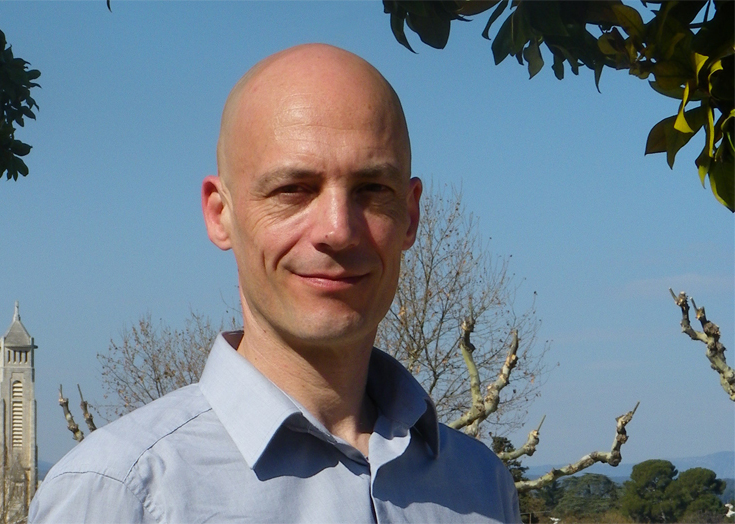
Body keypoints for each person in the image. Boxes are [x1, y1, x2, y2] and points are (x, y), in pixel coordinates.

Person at [29, 43, 520, 523]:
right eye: (293, 190)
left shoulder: (481, 486)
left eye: (372, 189)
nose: (338, 230)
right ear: (220, 214)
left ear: (410, 216)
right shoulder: (120, 492)